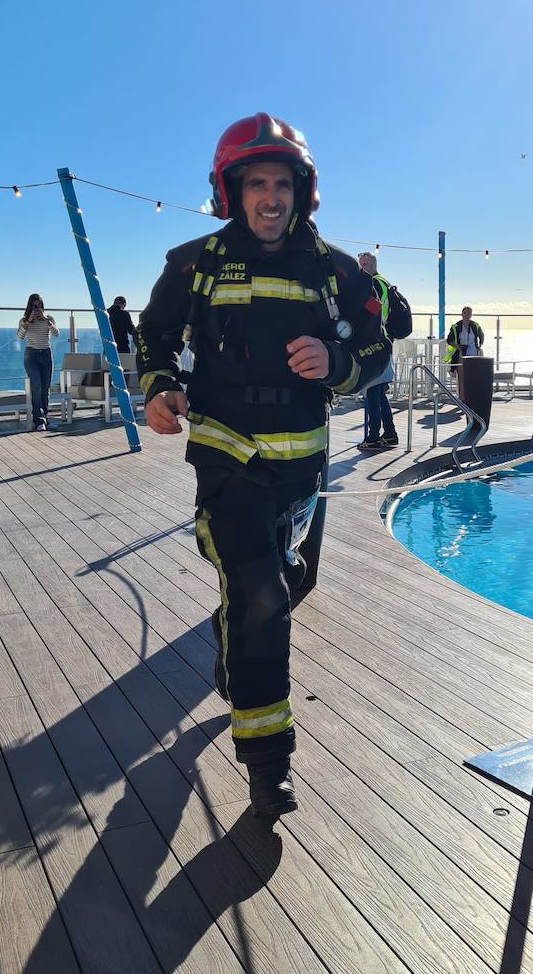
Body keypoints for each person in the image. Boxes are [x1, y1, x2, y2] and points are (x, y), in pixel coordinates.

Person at [135, 113, 388, 818]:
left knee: (288, 585)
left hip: (304, 473)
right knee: (262, 595)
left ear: (302, 191)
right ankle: (268, 762)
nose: (269, 196)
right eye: (256, 183)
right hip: (226, 464)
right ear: (232, 190)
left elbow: (379, 354)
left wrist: (338, 362)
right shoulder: (193, 263)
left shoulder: (337, 272)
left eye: (282, 182)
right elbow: (153, 336)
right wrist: (157, 387)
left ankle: (230, 642)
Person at [358, 252, 398, 450]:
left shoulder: (376, 283)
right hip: (383, 341)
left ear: (374, 264)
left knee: (373, 390)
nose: (362, 268)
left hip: (376, 342)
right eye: (360, 265)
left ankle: (373, 436)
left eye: (365, 264)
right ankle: (390, 433)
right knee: (378, 392)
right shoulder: (384, 282)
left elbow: (375, 309)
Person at [17, 293, 59, 429]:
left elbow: (56, 333)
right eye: (35, 305)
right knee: (36, 386)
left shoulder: (49, 318)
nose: (37, 308)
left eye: (39, 305)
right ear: (30, 306)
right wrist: (28, 321)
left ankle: (45, 417)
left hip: (46, 354)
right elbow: (20, 336)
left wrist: (48, 321)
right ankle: (39, 420)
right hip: (31, 355)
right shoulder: (24, 320)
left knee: (45, 388)